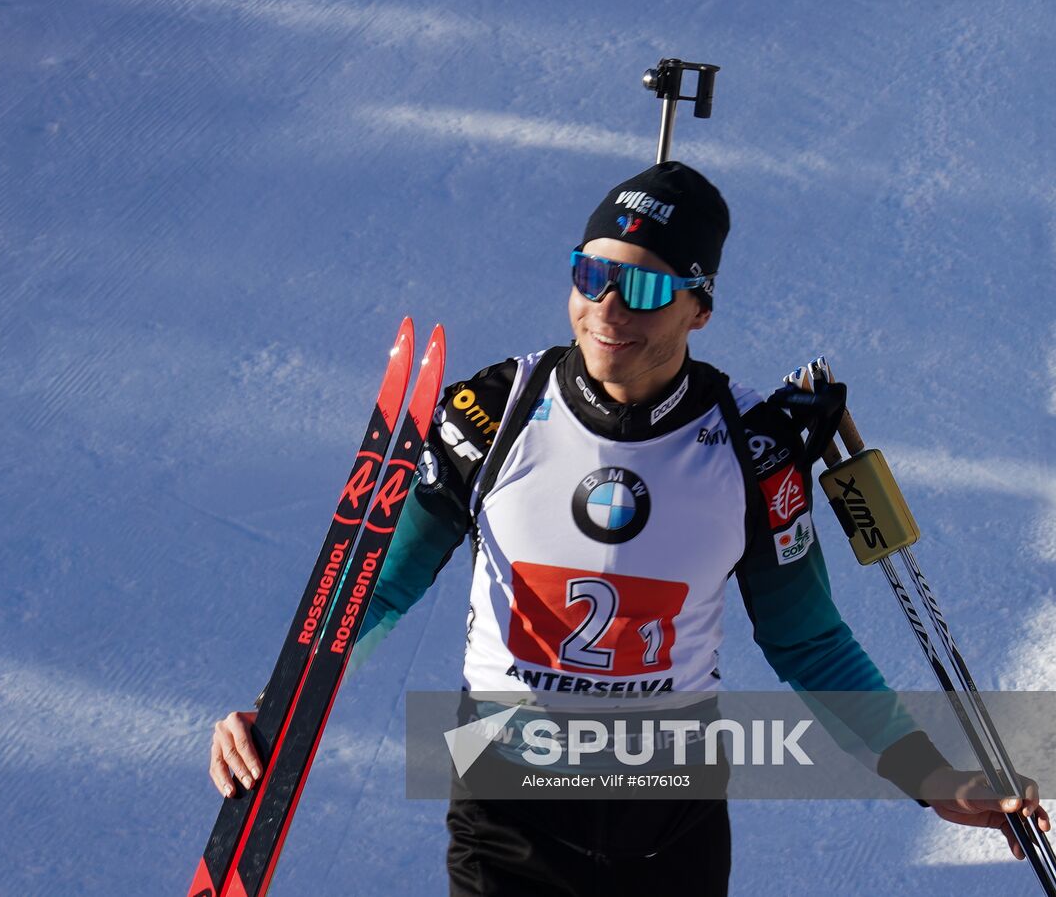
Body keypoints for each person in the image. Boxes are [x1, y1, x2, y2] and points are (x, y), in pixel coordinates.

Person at [208, 162, 1050, 895]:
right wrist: (277, 705)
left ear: (700, 308)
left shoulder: (752, 451)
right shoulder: (494, 414)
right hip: (508, 819)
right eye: (589, 275)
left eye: (644, 287)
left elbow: (810, 641)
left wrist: (929, 774)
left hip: (669, 826)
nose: (607, 307)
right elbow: (378, 585)